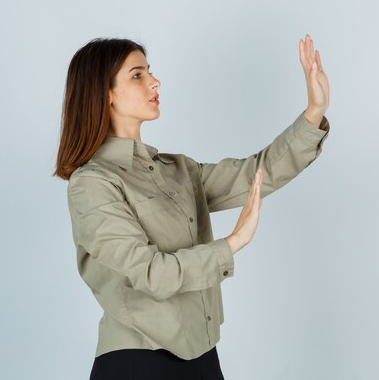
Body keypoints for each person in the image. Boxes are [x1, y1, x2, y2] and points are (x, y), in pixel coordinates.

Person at [54, 35, 330, 380]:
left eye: (149, 71)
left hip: (201, 356)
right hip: (138, 360)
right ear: (104, 93)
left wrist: (314, 111)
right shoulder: (93, 183)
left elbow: (257, 174)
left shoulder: (178, 170)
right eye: (137, 75)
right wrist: (232, 243)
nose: (155, 81)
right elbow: (150, 273)